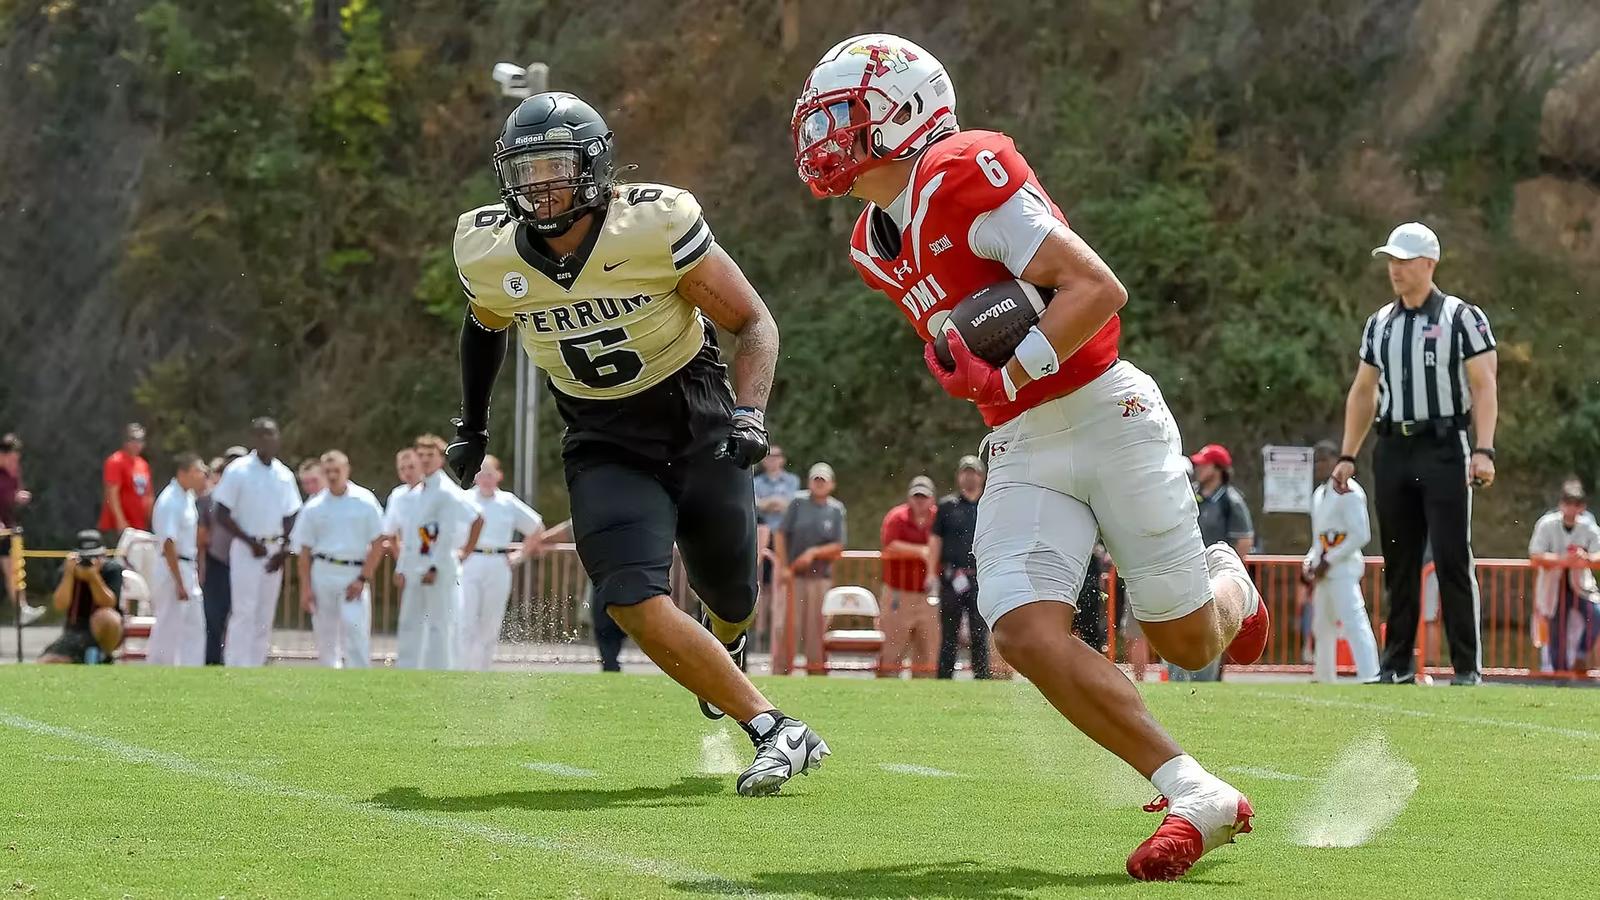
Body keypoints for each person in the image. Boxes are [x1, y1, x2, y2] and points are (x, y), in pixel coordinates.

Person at [793, 33, 1260, 877]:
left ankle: (1230, 582)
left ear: (907, 113)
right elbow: (974, 336)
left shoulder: (963, 168)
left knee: (1190, 643)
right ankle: (1195, 791)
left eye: (845, 117)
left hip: (1107, 409)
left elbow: (1096, 289)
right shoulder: (870, 243)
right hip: (1019, 440)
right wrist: (973, 365)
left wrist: (1004, 367)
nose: (827, 138)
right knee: (1021, 630)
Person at [443, 90, 827, 794]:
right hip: (602, 437)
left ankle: (728, 641)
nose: (540, 186)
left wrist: (750, 414)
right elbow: (485, 324)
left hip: (696, 419)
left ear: (593, 167)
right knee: (626, 593)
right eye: (526, 171)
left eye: (556, 167)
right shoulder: (488, 247)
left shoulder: (654, 225)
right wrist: (472, 425)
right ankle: (775, 728)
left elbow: (753, 321)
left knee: (731, 592)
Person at [1332, 222, 1499, 686]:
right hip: (1393, 447)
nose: (1395, 269)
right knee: (1398, 559)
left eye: (1404, 261)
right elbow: (1363, 391)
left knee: (1451, 555)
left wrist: (1484, 449)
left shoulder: (1461, 317)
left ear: (1429, 264)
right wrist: (1347, 454)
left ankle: (1466, 667)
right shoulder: (1379, 323)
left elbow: (1484, 385)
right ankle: (1397, 665)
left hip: (1443, 445)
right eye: (1391, 260)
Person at [212, 418, 302, 667]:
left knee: (265, 612)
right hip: (246, 547)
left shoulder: (283, 474)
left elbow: (292, 514)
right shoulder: (238, 470)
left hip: (274, 548)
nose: (268, 440)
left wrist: (284, 548)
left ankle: (256, 663)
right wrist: (248, 541)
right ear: (254, 439)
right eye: (262, 435)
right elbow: (221, 512)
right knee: (244, 610)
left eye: (272, 435)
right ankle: (237, 665)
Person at [391, 434, 482, 670]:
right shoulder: (417, 492)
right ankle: (408, 670)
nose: (424, 460)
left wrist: (461, 553)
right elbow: (413, 535)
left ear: (441, 459)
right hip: (415, 565)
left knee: (439, 623)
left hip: (438, 568)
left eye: (430, 455)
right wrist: (402, 566)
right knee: (410, 621)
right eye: (420, 455)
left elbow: (469, 521)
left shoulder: (446, 491)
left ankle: (440, 671)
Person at [292, 451, 385, 668]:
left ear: (347, 470)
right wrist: (305, 588)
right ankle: (330, 678)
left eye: (337, 471)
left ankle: (358, 680)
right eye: (328, 471)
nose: (333, 476)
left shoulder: (365, 501)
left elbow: (378, 542)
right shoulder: (314, 506)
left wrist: (363, 578)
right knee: (325, 635)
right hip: (323, 571)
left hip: (353, 572)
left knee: (356, 631)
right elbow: (304, 551)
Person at [1301, 441, 1379, 682]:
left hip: (1343, 569)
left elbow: (1361, 535)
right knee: (1321, 625)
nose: (1319, 465)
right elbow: (1318, 538)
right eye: (1316, 461)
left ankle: (1370, 673)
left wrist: (1330, 559)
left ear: (1337, 460)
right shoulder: (1319, 494)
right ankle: (1324, 675)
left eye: (1324, 460)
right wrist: (1311, 560)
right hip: (1323, 572)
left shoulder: (1351, 492)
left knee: (1354, 621)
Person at [459, 455, 544, 671]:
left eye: (490, 474)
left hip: (498, 562)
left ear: (499, 476)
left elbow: (536, 527)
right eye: (481, 474)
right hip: (470, 561)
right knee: (466, 618)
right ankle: (462, 669)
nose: (486, 479)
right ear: (475, 477)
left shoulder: (507, 502)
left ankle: (483, 669)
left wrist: (520, 555)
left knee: (491, 621)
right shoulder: (464, 499)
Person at [773, 463, 847, 674]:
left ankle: (816, 671)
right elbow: (780, 534)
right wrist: (784, 566)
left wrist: (813, 552)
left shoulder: (836, 509)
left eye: (823, 480)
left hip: (821, 578)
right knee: (788, 625)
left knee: (816, 628)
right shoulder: (797, 502)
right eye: (816, 480)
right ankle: (781, 671)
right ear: (809, 482)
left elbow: (838, 545)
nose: (819, 484)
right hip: (794, 576)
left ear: (832, 484)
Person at [1529, 483, 1600, 673]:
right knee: (1556, 633)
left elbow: (1598, 553)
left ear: (1582, 507)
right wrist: (1562, 560)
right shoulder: (1546, 524)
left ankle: (1582, 655)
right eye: (1568, 504)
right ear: (1561, 505)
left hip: (1580, 587)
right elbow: (1535, 554)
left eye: (1576, 504)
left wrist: (1586, 558)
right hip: (1553, 587)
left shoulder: (1588, 526)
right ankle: (1560, 674)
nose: (1571, 509)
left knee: (1596, 615)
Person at [146, 454, 209, 666]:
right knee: (168, 623)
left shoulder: (188, 497)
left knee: (193, 625)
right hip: (173, 567)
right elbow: (168, 543)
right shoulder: (170, 500)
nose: (202, 475)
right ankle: (159, 667)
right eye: (197, 471)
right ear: (183, 473)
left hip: (187, 565)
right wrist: (179, 582)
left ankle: (191, 668)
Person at [930, 455, 989, 679]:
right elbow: (935, 541)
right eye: (965, 472)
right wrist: (931, 573)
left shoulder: (989, 505)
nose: (969, 477)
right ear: (958, 476)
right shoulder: (947, 506)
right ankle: (944, 678)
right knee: (949, 631)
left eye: (973, 473)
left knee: (979, 631)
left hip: (980, 578)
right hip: (952, 577)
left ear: (982, 476)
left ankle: (982, 678)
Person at [878, 476, 939, 677]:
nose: (920, 501)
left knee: (927, 654)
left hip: (928, 595)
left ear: (932, 499)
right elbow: (890, 545)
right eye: (916, 496)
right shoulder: (897, 517)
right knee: (891, 650)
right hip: (898, 593)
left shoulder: (939, 518)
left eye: (924, 497)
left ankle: (922, 692)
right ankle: (886, 690)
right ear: (909, 497)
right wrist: (921, 551)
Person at [39, 531, 125, 664]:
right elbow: (60, 605)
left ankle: (105, 656)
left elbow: (108, 603)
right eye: (84, 557)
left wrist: (93, 578)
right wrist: (69, 574)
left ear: (103, 555)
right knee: (47, 661)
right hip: (75, 632)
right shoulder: (67, 571)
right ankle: (79, 658)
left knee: (107, 617)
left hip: (104, 631)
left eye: (94, 557)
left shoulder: (111, 569)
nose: (89, 562)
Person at [197, 445, 248, 664]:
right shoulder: (209, 500)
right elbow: (202, 537)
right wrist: (201, 567)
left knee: (243, 615)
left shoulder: (252, 500)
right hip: (217, 562)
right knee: (214, 616)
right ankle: (213, 661)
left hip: (246, 562)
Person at [1, 433, 43, 626]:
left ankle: (21, 609)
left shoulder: (13, 472)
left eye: (16, 459)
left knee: (13, 569)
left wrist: (19, 496)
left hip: (8, 529)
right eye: (11, 459)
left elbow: (12, 494)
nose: (14, 463)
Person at [1190, 445, 1254, 557]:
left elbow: (1244, 542)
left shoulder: (1231, 501)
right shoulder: (1189, 493)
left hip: (1215, 565)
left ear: (1218, 469)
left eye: (1204, 464)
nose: (1198, 468)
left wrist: (1226, 565)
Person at [98, 422, 153, 544]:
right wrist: (120, 521)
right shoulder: (115, 461)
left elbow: (148, 495)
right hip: (118, 527)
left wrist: (151, 520)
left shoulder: (143, 464)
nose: (137, 444)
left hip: (139, 527)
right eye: (133, 439)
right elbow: (111, 494)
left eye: (140, 440)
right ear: (125, 441)